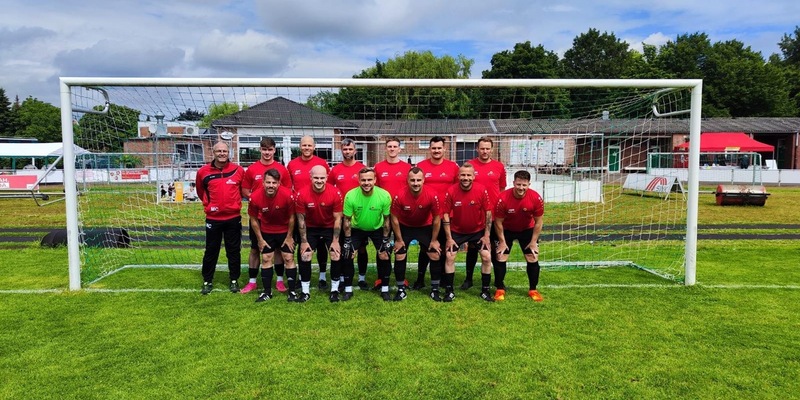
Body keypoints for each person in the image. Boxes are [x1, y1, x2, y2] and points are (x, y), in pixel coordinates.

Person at [241, 137, 292, 294]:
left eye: (270, 149)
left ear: (274, 150)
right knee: (255, 248)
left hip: (277, 217)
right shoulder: (252, 169)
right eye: (264, 149)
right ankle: (252, 282)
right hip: (258, 216)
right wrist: (256, 200)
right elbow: (245, 189)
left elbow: (287, 190)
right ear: (260, 150)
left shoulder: (282, 169)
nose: (267, 152)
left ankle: (279, 281)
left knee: (277, 250)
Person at [195, 141, 245, 295]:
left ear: (228, 152)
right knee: (211, 250)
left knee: (233, 251)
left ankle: (234, 279)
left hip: (233, 218)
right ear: (213, 152)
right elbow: (200, 192)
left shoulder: (238, 170)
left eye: (224, 151)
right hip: (213, 219)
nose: (222, 153)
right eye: (219, 151)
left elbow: (242, 191)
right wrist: (210, 206)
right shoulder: (203, 172)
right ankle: (207, 280)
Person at [441, 162, 493, 302]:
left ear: (474, 176)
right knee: (450, 256)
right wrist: (449, 238)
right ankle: (449, 291)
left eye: (469, 175)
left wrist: (487, 236)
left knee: (487, 257)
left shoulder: (481, 190)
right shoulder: (451, 191)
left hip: (477, 231)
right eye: (463, 175)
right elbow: (445, 214)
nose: (465, 178)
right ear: (458, 176)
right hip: (457, 232)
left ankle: (485, 291)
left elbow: (488, 212)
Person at [461, 136, 507, 290]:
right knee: (473, 248)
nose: (485, 151)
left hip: (494, 216)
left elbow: (501, 189)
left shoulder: (499, 166)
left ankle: (498, 281)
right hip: (475, 215)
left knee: (494, 249)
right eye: (482, 148)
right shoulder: (470, 165)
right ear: (477, 149)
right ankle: (468, 279)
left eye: (487, 148)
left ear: (492, 149)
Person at [390, 167, 443, 301]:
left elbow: (437, 219)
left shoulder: (432, 194)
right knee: (400, 253)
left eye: (418, 180)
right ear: (407, 180)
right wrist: (399, 239)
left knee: (434, 254)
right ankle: (401, 290)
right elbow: (394, 219)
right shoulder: (399, 195)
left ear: (424, 180)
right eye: (412, 180)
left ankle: (435, 290)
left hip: (424, 226)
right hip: (405, 227)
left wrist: (434, 240)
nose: (415, 183)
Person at [341, 167, 393, 301]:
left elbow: (387, 219)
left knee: (384, 255)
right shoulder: (351, 195)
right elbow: (347, 220)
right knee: (348, 254)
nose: (366, 183)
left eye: (369, 180)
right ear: (359, 180)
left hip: (377, 228)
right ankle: (348, 289)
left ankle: (385, 289)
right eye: (363, 180)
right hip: (357, 229)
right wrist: (347, 240)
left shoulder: (384, 195)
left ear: (375, 180)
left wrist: (386, 239)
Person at [287, 135, 332, 289]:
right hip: (301, 212)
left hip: (320, 211)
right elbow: (288, 187)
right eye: (304, 145)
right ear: (300, 146)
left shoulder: (322, 163)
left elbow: (326, 184)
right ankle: (302, 277)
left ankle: (322, 276)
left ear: (314, 147)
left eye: (309, 145)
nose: (306, 148)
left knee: (321, 246)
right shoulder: (292, 164)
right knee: (303, 245)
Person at [493, 170, 545, 302]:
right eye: (518, 184)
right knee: (500, 256)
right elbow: (498, 222)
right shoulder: (503, 198)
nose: (521, 188)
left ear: (529, 184)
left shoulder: (536, 198)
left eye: (524, 185)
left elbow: (539, 222)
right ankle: (500, 289)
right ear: (513, 183)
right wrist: (502, 242)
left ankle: (533, 290)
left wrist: (533, 242)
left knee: (532, 257)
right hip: (507, 229)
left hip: (527, 230)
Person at [415, 136, 459, 290]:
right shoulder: (421, 166)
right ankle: (420, 279)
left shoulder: (453, 167)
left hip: (446, 215)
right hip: (426, 216)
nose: (436, 151)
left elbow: (457, 190)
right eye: (433, 148)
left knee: (444, 247)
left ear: (444, 149)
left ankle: (443, 279)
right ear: (429, 149)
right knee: (425, 248)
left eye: (439, 148)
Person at [294, 165, 343, 302]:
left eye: (322, 178)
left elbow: (338, 219)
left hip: (329, 227)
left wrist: (335, 241)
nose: (319, 181)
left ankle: (334, 290)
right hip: (311, 228)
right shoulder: (302, 194)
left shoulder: (335, 192)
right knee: (305, 256)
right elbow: (301, 220)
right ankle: (305, 292)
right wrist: (304, 242)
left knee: (335, 254)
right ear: (310, 177)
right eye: (316, 178)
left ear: (327, 177)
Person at [247, 168, 297, 302]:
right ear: (263, 183)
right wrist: (260, 239)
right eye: (268, 182)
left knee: (288, 258)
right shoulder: (255, 197)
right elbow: (253, 219)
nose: (271, 185)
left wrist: (289, 237)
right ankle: (267, 292)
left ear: (279, 183)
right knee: (266, 258)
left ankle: (292, 292)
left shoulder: (288, 195)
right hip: (267, 231)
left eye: (274, 183)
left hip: (284, 230)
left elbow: (292, 217)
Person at [327, 138, 369, 290]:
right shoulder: (335, 170)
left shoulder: (362, 169)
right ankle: (343, 278)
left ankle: (362, 278)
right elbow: (329, 189)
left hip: (359, 216)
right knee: (344, 248)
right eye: (345, 149)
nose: (347, 152)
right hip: (341, 215)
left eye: (350, 149)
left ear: (355, 150)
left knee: (361, 248)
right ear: (341, 151)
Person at [373, 136, 411, 290]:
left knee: (401, 245)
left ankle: (402, 277)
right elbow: (374, 190)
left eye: (395, 146)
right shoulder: (378, 167)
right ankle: (381, 278)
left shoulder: (407, 168)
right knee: (383, 245)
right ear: (385, 148)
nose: (392, 149)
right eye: (390, 146)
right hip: (384, 213)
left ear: (400, 149)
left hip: (402, 213)